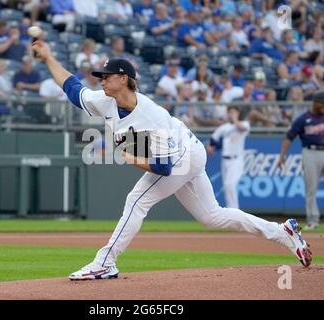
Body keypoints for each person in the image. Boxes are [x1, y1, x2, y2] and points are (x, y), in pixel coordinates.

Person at [31, 39, 313, 280]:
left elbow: (164, 168)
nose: (101, 79)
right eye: (100, 76)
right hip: (186, 150)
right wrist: (49, 57)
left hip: (184, 156)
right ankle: (282, 232)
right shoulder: (106, 101)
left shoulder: (151, 115)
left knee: (137, 200)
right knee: (211, 216)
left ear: (124, 79)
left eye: (106, 75)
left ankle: (104, 263)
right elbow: (72, 89)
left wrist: (126, 156)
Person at [278, 91, 324, 231]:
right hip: (310, 152)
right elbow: (289, 137)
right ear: (316, 103)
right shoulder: (303, 119)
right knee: (311, 188)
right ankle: (313, 220)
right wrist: (282, 155)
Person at [206, 106, 250, 209]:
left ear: (238, 113)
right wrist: (210, 147)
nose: (231, 114)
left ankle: (235, 210)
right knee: (227, 186)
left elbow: (241, 128)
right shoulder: (224, 128)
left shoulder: (244, 124)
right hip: (225, 160)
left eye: (234, 112)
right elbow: (213, 141)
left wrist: (234, 118)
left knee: (230, 184)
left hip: (237, 160)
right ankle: (231, 210)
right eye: (230, 112)